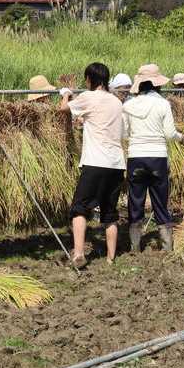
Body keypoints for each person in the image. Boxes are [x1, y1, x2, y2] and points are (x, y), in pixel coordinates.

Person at [59, 62, 126, 267]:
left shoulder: (88, 97)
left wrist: (66, 94)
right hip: (116, 163)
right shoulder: (116, 102)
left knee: (79, 208)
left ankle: (79, 254)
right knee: (110, 212)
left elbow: (63, 109)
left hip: (96, 162)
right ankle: (110, 258)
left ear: (90, 79)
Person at [123, 63, 184, 252]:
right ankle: (166, 245)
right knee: (160, 201)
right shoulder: (163, 104)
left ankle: (135, 246)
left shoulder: (128, 105)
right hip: (157, 156)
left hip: (136, 157)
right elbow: (169, 133)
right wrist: (181, 137)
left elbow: (124, 134)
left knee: (136, 200)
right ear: (157, 84)